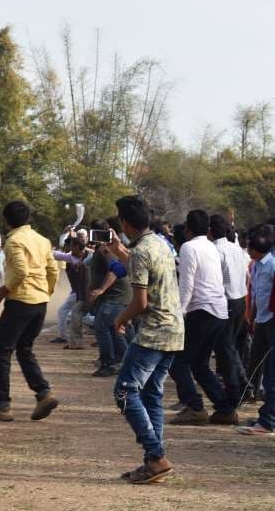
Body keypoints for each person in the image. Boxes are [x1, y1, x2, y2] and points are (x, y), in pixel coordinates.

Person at [107, 195, 183, 485]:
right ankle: (153, 464)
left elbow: (139, 302)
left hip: (153, 331)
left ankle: (157, 454)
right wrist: (119, 252)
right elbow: (143, 268)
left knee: (124, 392)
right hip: (174, 329)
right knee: (151, 393)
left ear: (125, 223)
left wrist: (120, 319)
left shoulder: (141, 252)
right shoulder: (159, 243)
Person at [0, 201, 60, 422]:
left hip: (20, 302)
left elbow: (22, 271)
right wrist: (46, 292)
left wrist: (5, 288)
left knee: (3, 352)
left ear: (6, 221)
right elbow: (53, 270)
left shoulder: (14, 241)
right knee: (25, 349)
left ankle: (2, 405)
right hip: (40, 302)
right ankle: (43, 393)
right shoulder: (42, 240)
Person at [169, 209, 235, 425]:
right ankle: (225, 408)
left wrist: (179, 312)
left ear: (187, 229)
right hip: (219, 309)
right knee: (199, 364)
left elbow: (187, 283)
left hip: (202, 310)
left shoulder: (189, 247)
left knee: (178, 362)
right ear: (207, 229)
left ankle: (195, 407)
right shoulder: (210, 246)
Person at [209, 213, 250, 410]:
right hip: (240, 299)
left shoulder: (215, 251)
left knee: (225, 349)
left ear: (209, 231)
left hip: (227, 302)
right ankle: (243, 384)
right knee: (230, 347)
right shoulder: (237, 249)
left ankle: (238, 387)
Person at [237, 230, 275, 436]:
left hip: (271, 320)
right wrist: (250, 315)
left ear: (255, 249)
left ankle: (268, 421)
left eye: (249, 246)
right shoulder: (257, 265)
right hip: (261, 319)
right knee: (258, 365)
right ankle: (265, 416)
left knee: (271, 374)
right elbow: (256, 292)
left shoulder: (272, 265)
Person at [88, 219, 133, 377]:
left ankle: (111, 362)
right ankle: (124, 360)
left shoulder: (106, 249)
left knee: (103, 326)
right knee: (119, 328)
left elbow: (114, 270)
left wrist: (100, 289)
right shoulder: (103, 248)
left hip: (117, 294)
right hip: (114, 294)